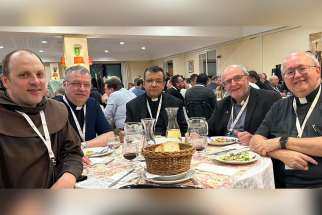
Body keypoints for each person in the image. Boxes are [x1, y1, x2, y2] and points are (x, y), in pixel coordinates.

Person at [0, 49, 82, 188]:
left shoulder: (56, 109)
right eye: (24, 75)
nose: (35, 81)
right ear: (6, 81)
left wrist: (68, 178)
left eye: (40, 74)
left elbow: (73, 152)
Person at [250, 52, 322, 188]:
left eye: (302, 69)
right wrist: (280, 153)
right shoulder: (280, 106)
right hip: (275, 184)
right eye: (290, 72)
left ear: (318, 70)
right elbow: (255, 141)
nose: (297, 75)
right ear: (284, 78)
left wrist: (283, 141)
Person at [208, 64, 281, 145]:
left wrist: (255, 140)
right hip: (222, 154)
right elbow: (209, 131)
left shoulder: (270, 99)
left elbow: (280, 136)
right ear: (224, 86)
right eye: (228, 81)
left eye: (237, 78)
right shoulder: (222, 104)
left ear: (247, 78)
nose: (233, 84)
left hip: (255, 152)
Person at [54, 65, 115, 148]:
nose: (82, 89)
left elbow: (109, 136)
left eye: (86, 85)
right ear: (65, 85)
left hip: (91, 156)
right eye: (76, 84)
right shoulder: (54, 106)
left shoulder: (92, 104)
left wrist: (82, 146)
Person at [126, 66, 188, 136]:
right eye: (149, 81)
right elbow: (130, 132)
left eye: (158, 81)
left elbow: (184, 130)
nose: (154, 85)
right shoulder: (132, 105)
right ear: (144, 84)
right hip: (144, 145)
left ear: (163, 84)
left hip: (169, 144)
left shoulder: (175, 103)